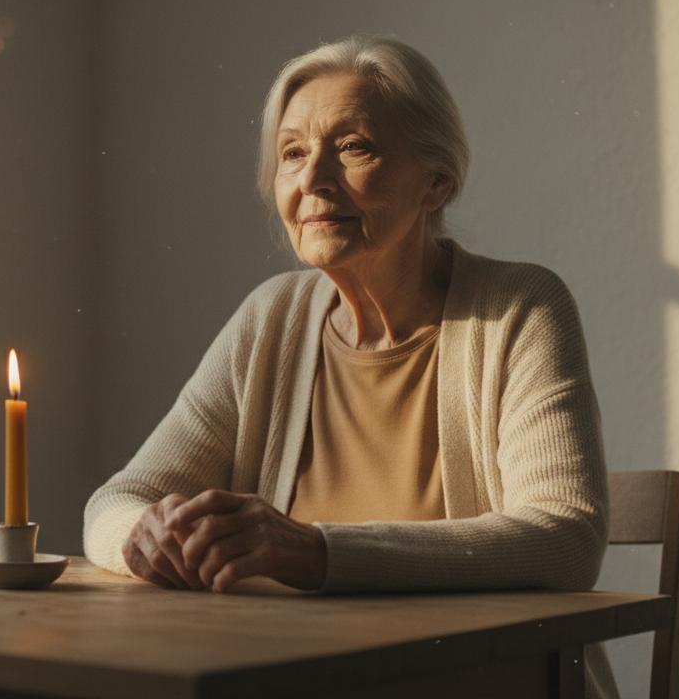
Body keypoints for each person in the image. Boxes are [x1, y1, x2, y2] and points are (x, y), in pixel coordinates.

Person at [83, 36, 616, 698]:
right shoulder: (270, 318)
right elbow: (114, 503)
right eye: (293, 153)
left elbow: (566, 537)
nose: (312, 182)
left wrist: (314, 551)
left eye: (354, 146)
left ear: (437, 180)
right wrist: (148, 537)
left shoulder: (521, 307)